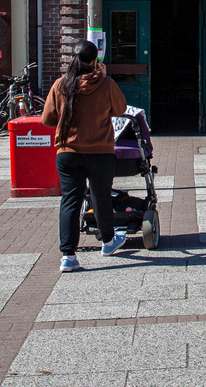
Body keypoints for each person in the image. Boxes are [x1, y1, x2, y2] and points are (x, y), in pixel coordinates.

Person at [41, 40, 130, 272]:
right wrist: (104, 76)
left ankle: (68, 256)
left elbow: (46, 119)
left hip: (68, 153)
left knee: (70, 200)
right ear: (95, 61)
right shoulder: (106, 84)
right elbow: (121, 109)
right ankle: (108, 242)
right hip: (100, 152)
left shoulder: (61, 85)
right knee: (101, 197)